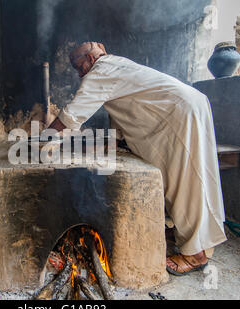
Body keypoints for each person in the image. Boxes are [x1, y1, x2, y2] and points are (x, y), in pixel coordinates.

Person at [47, 41, 227, 276]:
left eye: (79, 67)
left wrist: (43, 138)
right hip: (191, 105)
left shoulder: (100, 70)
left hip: (179, 113)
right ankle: (200, 237)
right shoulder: (117, 65)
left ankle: (195, 255)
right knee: (198, 174)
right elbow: (124, 106)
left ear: (91, 59)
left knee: (184, 182)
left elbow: (72, 114)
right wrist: (113, 143)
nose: (80, 74)